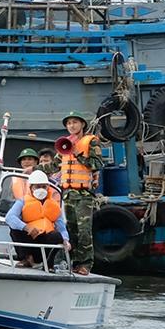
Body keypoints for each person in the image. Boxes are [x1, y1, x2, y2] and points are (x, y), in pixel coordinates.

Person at [58, 110, 107, 275]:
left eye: (74, 122)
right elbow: (55, 166)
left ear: (82, 124)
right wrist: (33, 169)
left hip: (84, 195)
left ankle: (85, 264)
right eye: (69, 123)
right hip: (68, 194)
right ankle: (72, 262)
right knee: (71, 230)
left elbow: (97, 163)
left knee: (84, 230)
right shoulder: (64, 144)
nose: (71, 126)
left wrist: (77, 153)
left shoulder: (91, 141)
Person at [5, 170, 70, 268]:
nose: (41, 189)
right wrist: (26, 227)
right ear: (31, 188)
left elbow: (62, 228)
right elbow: (10, 217)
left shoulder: (54, 206)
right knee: (14, 229)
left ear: (48, 187)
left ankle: (48, 262)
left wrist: (65, 240)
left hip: (45, 240)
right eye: (37, 187)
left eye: (44, 186)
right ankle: (27, 259)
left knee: (57, 236)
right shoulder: (22, 202)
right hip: (29, 239)